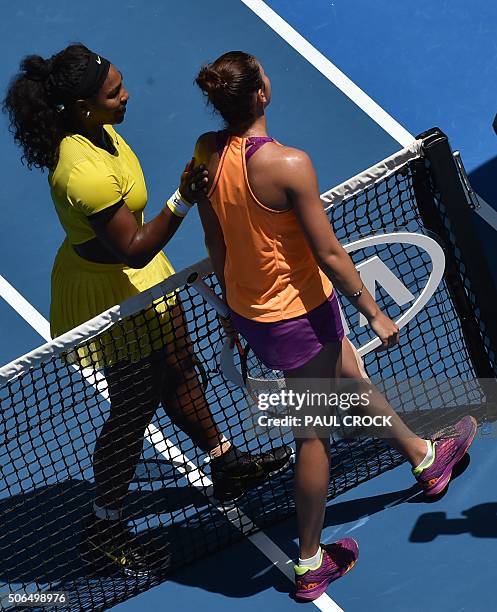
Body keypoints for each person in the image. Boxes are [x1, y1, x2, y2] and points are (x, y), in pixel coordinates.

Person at [192, 51, 477, 601]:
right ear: (260, 95)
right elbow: (329, 252)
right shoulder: (288, 165)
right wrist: (373, 309)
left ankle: (424, 457)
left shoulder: (206, 152)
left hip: (256, 312)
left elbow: (215, 239)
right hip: (297, 317)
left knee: (349, 374)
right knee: (313, 434)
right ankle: (308, 562)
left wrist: (230, 306)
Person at [3, 44, 292, 576]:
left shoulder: (99, 130)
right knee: (133, 408)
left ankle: (225, 463)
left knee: (181, 365)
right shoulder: (81, 171)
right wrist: (183, 198)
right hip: (111, 292)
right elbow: (133, 246)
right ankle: (104, 526)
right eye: (114, 93)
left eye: (121, 83)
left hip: (141, 275)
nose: (126, 95)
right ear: (85, 105)